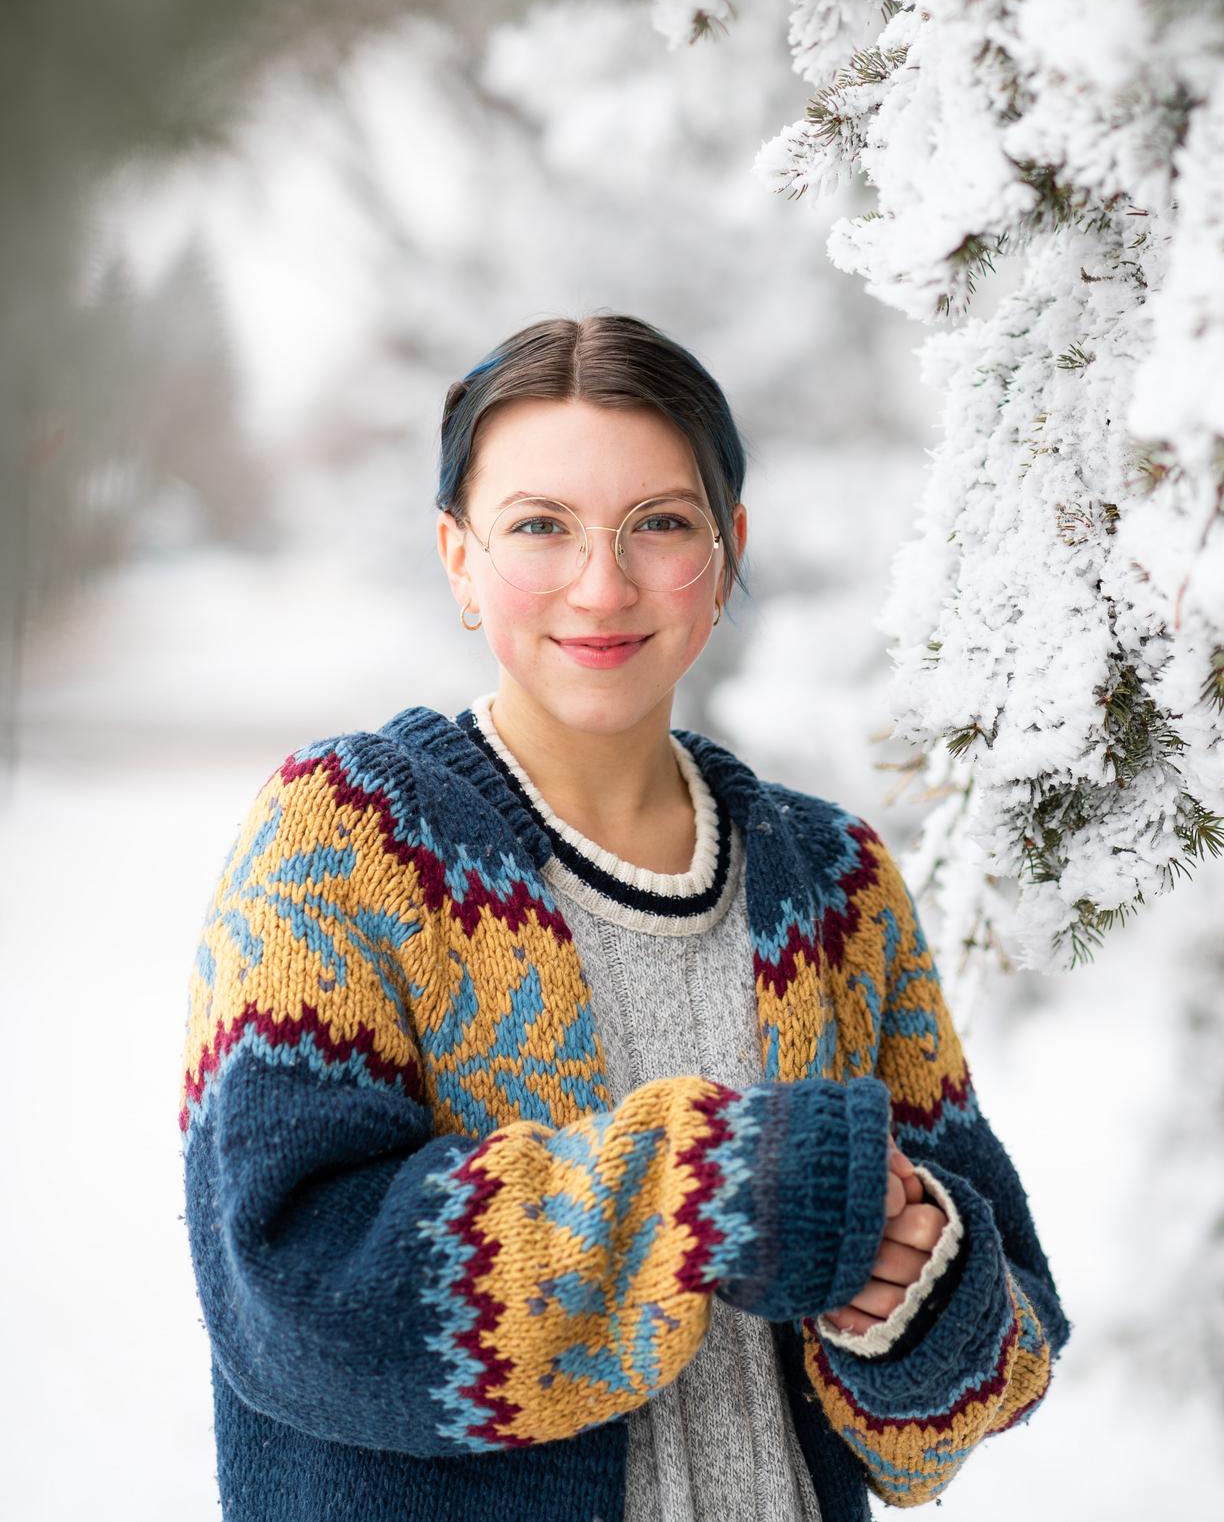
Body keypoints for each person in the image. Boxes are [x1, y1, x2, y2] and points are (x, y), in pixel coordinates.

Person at [180, 312, 1069, 1522]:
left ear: (728, 548)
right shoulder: (343, 841)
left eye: (659, 523)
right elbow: (289, 1293)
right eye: (539, 527)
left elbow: (1005, 1349)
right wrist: (706, 1190)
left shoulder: (836, 883)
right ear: (457, 557)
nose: (603, 586)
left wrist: (912, 1291)